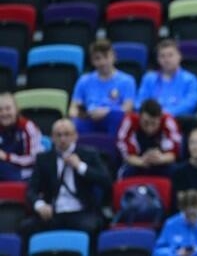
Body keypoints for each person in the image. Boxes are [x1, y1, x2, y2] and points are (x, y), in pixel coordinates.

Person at [20, 119, 111, 248]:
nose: (63, 139)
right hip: (53, 212)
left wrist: (80, 167)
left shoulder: (89, 154)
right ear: (52, 137)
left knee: (91, 227)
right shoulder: (43, 159)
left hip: (81, 212)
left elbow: (106, 181)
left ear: (75, 136)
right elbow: (31, 190)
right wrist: (40, 205)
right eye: (58, 135)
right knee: (26, 227)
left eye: (67, 134)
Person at [70, 39, 136, 135]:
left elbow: (128, 108)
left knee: (118, 118)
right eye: (97, 58)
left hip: (113, 120)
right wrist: (77, 115)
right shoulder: (84, 80)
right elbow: (73, 107)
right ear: (92, 61)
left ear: (114, 57)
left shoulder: (127, 81)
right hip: (89, 119)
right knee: (74, 124)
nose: (102, 62)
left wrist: (107, 112)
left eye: (106, 57)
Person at [116, 98, 182, 178]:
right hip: (137, 162)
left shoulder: (168, 121)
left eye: (154, 124)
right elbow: (125, 151)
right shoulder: (129, 121)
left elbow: (173, 153)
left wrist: (160, 159)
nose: (149, 128)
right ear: (139, 117)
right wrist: (142, 162)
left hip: (162, 161)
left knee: (176, 172)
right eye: (145, 123)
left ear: (160, 119)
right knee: (126, 172)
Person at [136, 39, 197, 118]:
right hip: (152, 122)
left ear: (179, 56)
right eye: (162, 56)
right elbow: (139, 103)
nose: (166, 60)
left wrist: (164, 113)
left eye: (170, 55)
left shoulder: (190, 79)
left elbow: (191, 104)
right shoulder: (148, 78)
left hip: (180, 122)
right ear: (158, 59)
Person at [0, 92, 43, 181]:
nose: (4, 113)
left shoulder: (27, 127)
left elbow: (34, 159)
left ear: (16, 110)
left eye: (8, 109)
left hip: (26, 171)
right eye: (0, 110)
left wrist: (8, 157)